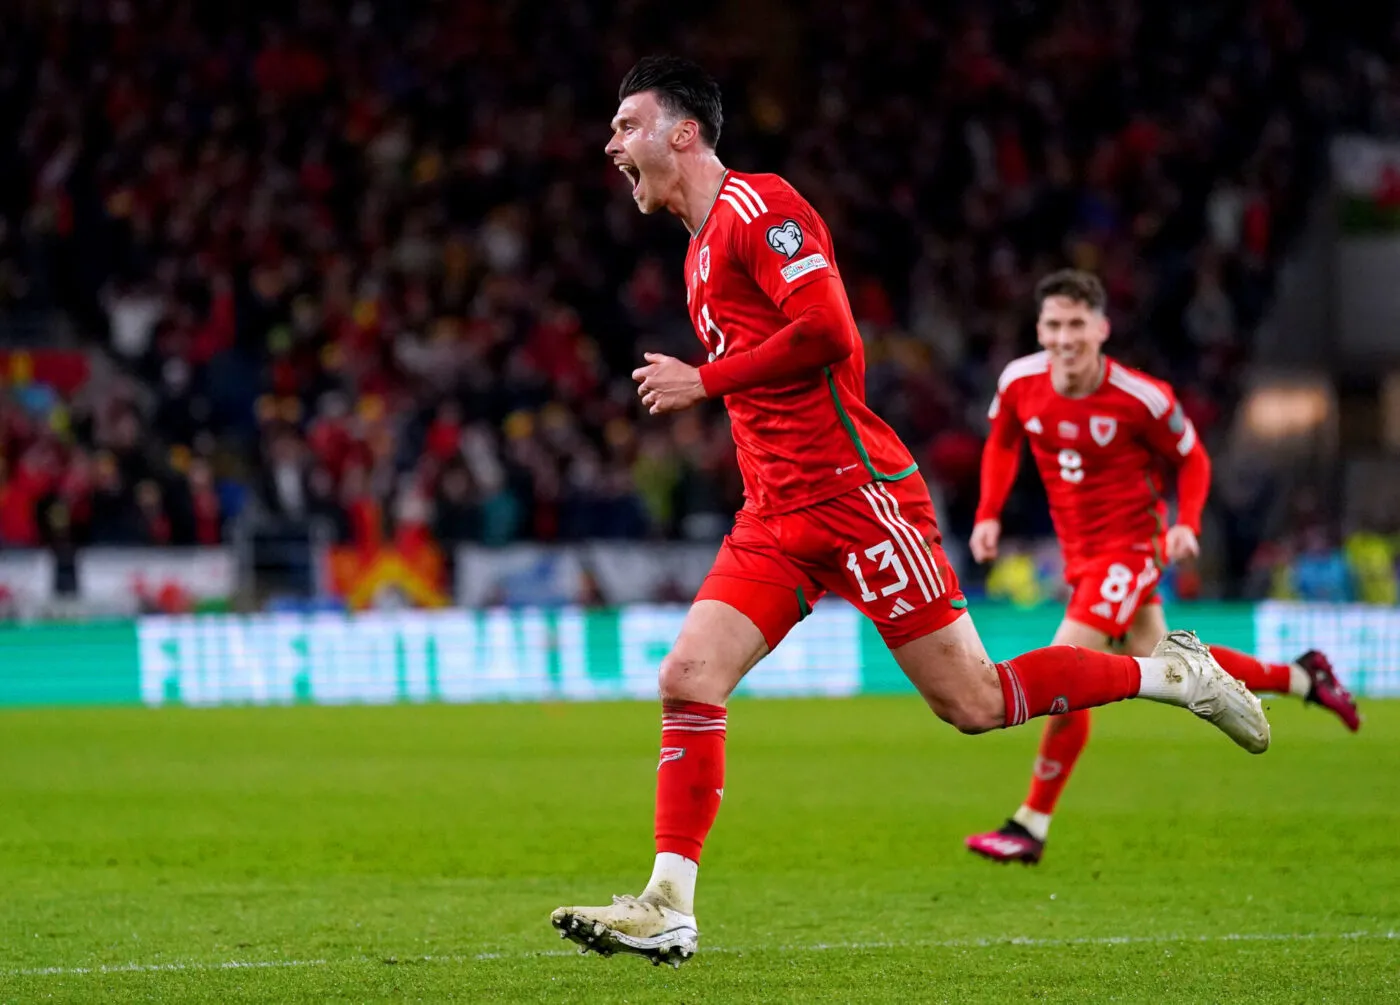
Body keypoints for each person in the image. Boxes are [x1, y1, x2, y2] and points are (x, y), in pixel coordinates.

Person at [550, 57, 1269, 968]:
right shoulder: (696, 248)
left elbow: (830, 333)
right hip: (776, 515)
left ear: (682, 132)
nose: (612, 143)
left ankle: (1170, 674)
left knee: (973, 701)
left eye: (627, 125)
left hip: (859, 501)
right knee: (689, 676)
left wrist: (707, 379)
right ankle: (668, 902)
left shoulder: (758, 209)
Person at [963, 270, 1361, 866]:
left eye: (1077, 324)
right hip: (1078, 553)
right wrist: (988, 513)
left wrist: (1186, 524)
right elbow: (1001, 442)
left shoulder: (1142, 398)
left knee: (1066, 673)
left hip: (1127, 549)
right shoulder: (1019, 382)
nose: (1064, 338)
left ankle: (1030, 822)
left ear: (1101, 328)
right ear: (1040, 329)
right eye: (1053, 324)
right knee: (1168, 660)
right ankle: (1305, 676)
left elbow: (1193, 460)